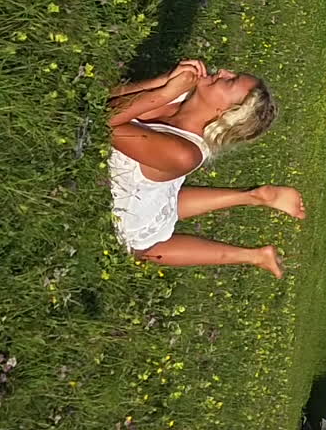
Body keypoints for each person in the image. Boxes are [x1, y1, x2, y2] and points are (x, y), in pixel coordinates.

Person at [106, 59, 305, 278]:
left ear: (224, 113)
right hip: (150, 193)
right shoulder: (181, 96)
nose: (223, 72)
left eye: (230, 81)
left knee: (143, 250)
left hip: (133, 213)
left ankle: (254, 254)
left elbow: (102, 121)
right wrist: (162, 82)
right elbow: (104, 99)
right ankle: (253, 197)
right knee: (163, 202)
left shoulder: (184, 153)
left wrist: (162, 93)